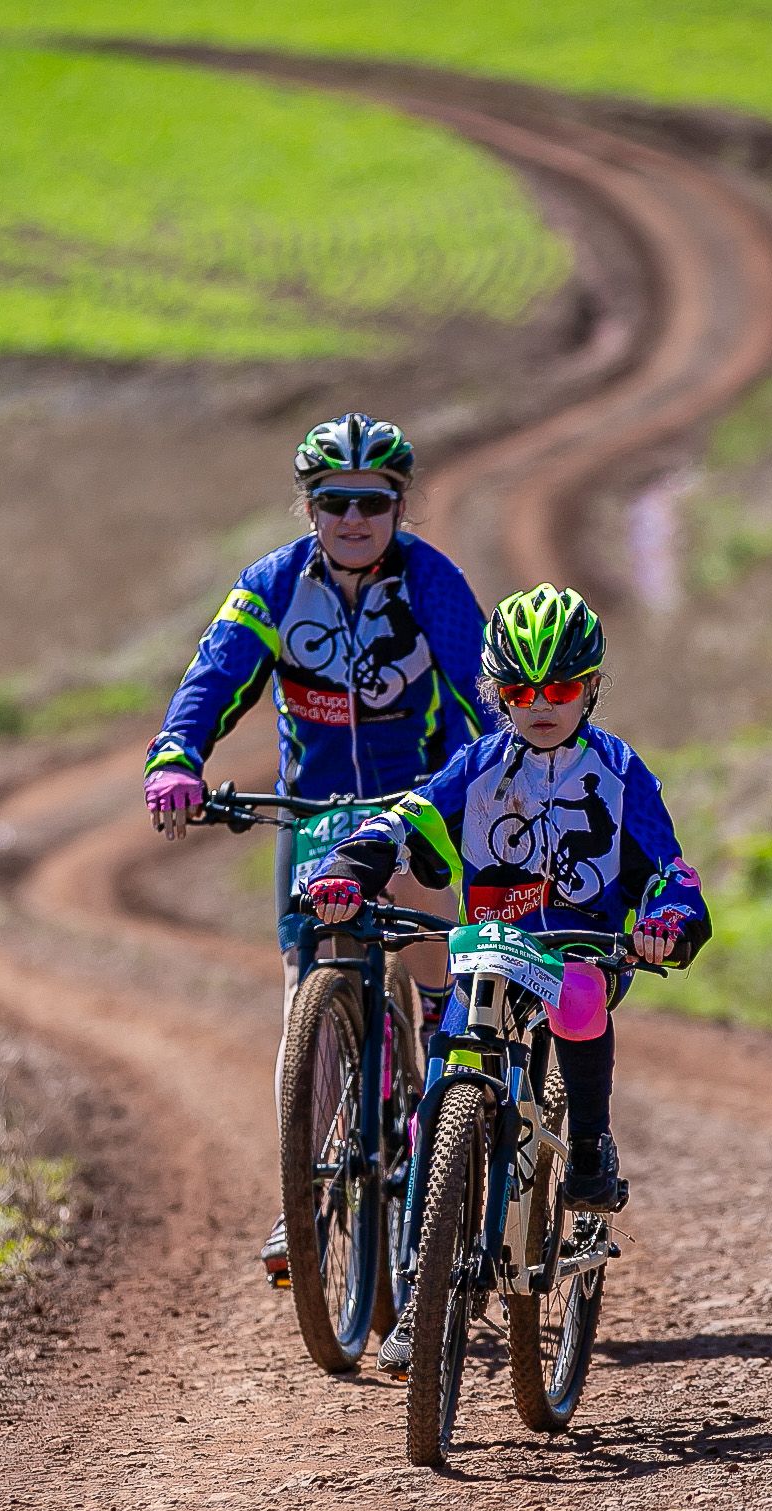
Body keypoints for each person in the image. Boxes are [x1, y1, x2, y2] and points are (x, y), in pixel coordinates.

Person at [307, 585, 709, 1371]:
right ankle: (423, 1289)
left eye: (560, 688)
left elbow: (670, 869)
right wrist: (351, 866)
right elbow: (407, 821)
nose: (542, 706)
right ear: (497, 695)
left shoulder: (620, 769)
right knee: (444, 1086)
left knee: (580, 998)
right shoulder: (480, 765)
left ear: (591, 688)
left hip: (583, 948)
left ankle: (587, 1148)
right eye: (521, 693)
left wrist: (668, 920)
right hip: (491, 952)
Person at [142, 413, 492, 1287]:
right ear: (309, 507)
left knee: (430, 958)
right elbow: (215, 676)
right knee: (305, 992)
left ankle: (444, 1095)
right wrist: (177, 755)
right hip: (311, 813)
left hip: (413, 807)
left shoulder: (434, 583)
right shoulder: (271, 585)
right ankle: (306, 1187)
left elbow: (481, 702)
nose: (354, 518)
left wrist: (484, 793)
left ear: (399, 505)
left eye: (373, 501)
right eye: (335, 501)